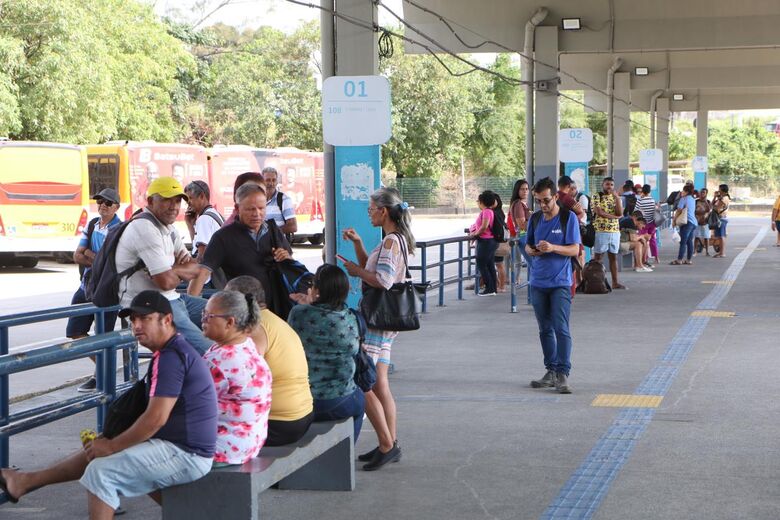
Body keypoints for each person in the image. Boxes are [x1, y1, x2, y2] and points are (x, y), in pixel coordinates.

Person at [0, 291, 217, 518]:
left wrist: (113, 446)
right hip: (180, 446)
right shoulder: (170, 352)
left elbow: (155, 419)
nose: (137, 325)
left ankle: (24, 481)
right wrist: (112, 442)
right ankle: (24, 481)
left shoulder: (172, 358)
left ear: (167, 320)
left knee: (101, 473)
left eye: (145, 318)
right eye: (133, 319)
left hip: (187, 453)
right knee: (103, 453)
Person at [340, 187, 415, 471]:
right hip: (386, 323)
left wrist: (356, 272)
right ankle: (390, 443)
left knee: (365, 380)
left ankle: (386, 443)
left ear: (384, 211)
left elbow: (381, 280)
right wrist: (359, 247)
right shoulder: (396, 240)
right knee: (380, 382)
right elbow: (374, 271)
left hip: (376, 322)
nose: (369, 214)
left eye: (371, 209)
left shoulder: (390, 243)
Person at [114, 177, 212, 354]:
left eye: (177, 201)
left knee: (228, 317)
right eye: (167, 200)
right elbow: (165, 282)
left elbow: (195, 267)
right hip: (150, 306)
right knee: (210, 352)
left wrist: (172, 270)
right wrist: (173, 272)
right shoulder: (144, 227)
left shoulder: (168, 228)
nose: (174, 206)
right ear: (150, 201)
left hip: (173, 298)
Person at [223, 276, 314, 447]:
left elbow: (242, 378)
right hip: (301, 414)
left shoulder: (255, 329)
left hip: (280, 423)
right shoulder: (273, 320)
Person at [188, 183, 294, 318]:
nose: (257, 214)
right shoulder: (223, 237)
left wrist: (286, 259)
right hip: (242, 315)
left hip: (277, 310)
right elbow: (201, 273)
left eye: (261, 208)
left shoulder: (273, 231)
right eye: (250, 209)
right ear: (237, 208)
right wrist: (191, 310)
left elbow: (292, 267)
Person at [287, 265, 365, 443]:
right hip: (340, 399)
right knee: (360, 402)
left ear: (317, 290)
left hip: (304, 399)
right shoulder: (350, 319)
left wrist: (309, 302)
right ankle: (347, 455)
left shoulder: (298, 313)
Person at [201, 290, 272, 465]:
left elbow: (183, 403)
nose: (203, 319)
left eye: (209, 316)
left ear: (230, 322)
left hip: (223, 448)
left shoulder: (221, 361)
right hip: (250, 441)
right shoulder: (246, 344)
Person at [524, 177, 581, 394]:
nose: (543, 205)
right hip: (538, 282)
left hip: (560, 283)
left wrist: (553, 248)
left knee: (561, 328)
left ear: (556, 197)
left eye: (546, 200)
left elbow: (574, 249)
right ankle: (550, 370)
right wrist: (532, 250)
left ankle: (563, 373)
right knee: (544, 329)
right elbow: (527, 245)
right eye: (539, 201)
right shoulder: (536, 219)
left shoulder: (569, 218)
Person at [67, 188, 122, 392]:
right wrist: (95, 256)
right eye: (100, 202)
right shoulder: (92, 225)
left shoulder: (120, 228)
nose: (102, 206)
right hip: (86, 285)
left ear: (116, 206)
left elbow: (110, 261)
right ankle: (103, 368)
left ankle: (101, 376)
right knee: (75, 331)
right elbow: (77, 255)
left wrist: (91, 254)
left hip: (107, 289)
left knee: (103, 335)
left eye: (108, 203)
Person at [592, 177, 626, 290]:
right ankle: (596, 282)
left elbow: (620, 212)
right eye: (607, 184)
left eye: (611, 184)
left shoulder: (615, 197)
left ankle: (615, 282)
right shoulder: (597, 195)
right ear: (603, 185)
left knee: (613, 257)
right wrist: (615, 217)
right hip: (601, 230)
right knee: (598, 257)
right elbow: (599, 212)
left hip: (615, 231)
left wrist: (617, 198)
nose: (609, 187)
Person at [466, 191, 499, 296]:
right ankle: (493, 288)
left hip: (485, 241)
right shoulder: (490, 211)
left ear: (482, 202)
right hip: (490, 241)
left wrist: (475, 235)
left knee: (481, 264)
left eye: (478, 201)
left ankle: (489, 288)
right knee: (489, 265)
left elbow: (484, 226)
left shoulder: (486, 212)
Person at [184, 180, 224, 261]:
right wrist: (190, 225)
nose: (188, 203)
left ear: (202, 196)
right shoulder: (213, 213)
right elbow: (198, 249)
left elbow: (202, 259)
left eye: (190, 198)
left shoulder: (204, 219)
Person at [262, 166, 298, 239]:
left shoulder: (284, 199)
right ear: (262, 181)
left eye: (274, 180)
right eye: (268, 180)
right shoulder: (257, 200)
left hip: (278, 247)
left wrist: (270, 233)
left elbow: (293, 226)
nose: (271, 183)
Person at [671, 183, 697, 265]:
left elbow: (679, 210)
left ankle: (679, 260)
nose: (682, 192)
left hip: (687, 223)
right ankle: (689, 260)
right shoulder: (693, 199)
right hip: (693, 222)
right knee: (689, 242)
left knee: (683, 242)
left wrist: (674, 220)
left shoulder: (684, 199)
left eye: (683, 190)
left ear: (686, 191)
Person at [634, 184, 659, 264]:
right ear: (649, 191)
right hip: (652, 223)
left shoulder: (640, 200)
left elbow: (635, 211)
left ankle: (645, 258)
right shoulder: (652, 200)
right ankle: (656, 257)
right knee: (652, 239)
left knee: (643, 240)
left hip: (643, 223)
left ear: (642, 191)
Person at [509, 179, 532, 265]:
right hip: (523, 235)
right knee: (535, 264)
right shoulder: (518, 204)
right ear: (517, 190)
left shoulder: (523, 203)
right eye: (522, 189)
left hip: (525, 235)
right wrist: (534, 220)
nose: (525, 191)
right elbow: (522, 226)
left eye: (526, 189)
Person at [491, 192, 509, 292]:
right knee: (499, 265)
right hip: (501, 241)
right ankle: (500, 285)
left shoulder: (494, 212)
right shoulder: (500, 211)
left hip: (496, 242)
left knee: (499, 265)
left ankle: (501, 286)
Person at [713, 184, 731, 258]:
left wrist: (718, 199)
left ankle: (722, 252)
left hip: (722, 218)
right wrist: (715, 197)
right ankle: (720, 252)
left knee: (721, 236)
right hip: (719, 218)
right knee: (719, 236)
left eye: (719, 189)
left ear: (722, 190)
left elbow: (716, 207)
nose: (718, 190)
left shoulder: (724, 198)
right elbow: (713, 204)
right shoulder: (722, 198)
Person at [694, 188, 713, 256]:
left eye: (704, 193)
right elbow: (694, 210)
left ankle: (707, 252)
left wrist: (705, 202)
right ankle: (695, 251)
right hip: (697, 221)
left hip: (705, 222)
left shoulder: (708, 201)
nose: (702, 194)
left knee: (706, 237)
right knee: (696, 236)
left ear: (706, 194)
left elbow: (709, 210)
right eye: (701, 192)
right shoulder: (696, 201)